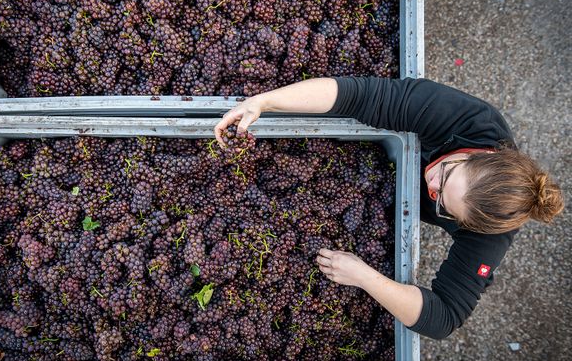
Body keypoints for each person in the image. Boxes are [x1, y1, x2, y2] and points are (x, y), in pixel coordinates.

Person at [214, 76, 565, 340]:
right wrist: (263, 102)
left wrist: (366, 277)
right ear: (477, 153)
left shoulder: (490, 232)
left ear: (465, 223)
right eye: (446, 171)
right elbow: (359, 95)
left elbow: (444, 318)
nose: (431, 183)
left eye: (441, 202)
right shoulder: (469, 120)